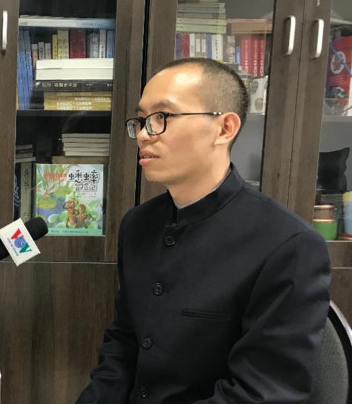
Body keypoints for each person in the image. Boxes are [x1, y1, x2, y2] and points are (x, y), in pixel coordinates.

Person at [77, 57, 331, 403]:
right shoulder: (137, 225)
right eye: (141, 120)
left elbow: (262, 392)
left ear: (224, 128)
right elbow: (123, 343)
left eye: (162, 117)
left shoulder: (288, 245)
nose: (144, 134)